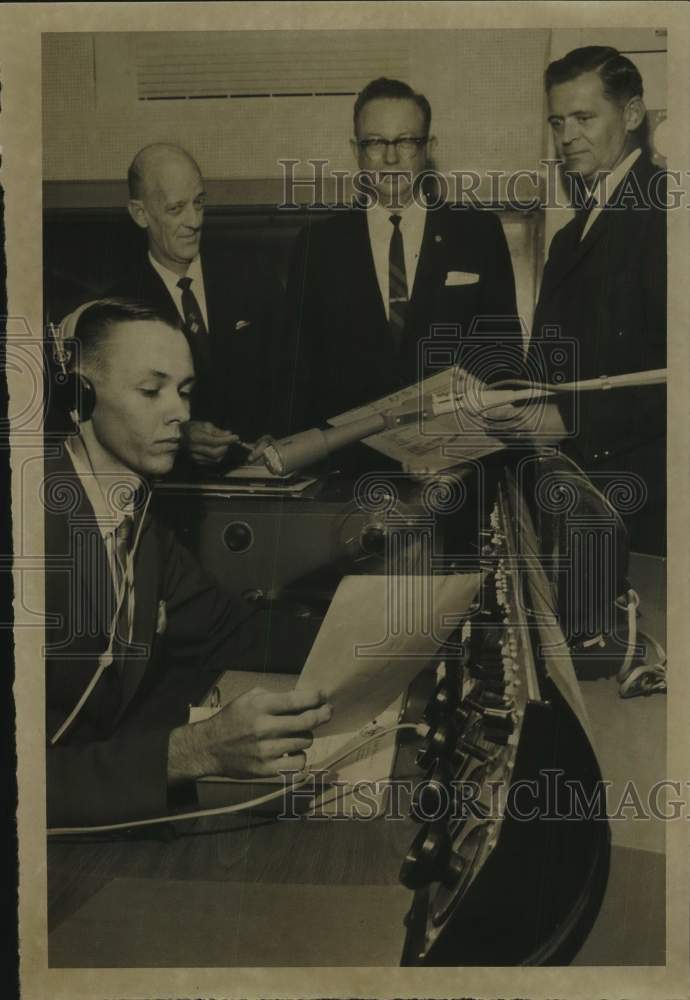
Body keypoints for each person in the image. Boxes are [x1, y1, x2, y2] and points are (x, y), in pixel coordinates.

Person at [45, 299, 331, 828]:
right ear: (77, 396)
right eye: (151, 391)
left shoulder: (138, 517)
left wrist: (386, 637)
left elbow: (230, 629)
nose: (179, 412)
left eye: (184, 390)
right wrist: (195, 751)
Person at [279, 77, 521, 445]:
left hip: (455, 464)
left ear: (428, 148)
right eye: (376, 142)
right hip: (349, 470)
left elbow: (502, 359)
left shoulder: (478, 234)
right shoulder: (318, 245)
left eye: (406, 141)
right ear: (356, 150)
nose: (390, 158)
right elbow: (297, 373)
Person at [528, 46, 666, 555]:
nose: (567, 137)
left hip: (641, 507)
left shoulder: (665, 213)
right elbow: (546, 360)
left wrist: (565, 420)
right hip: (575, 495)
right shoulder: (569, 236)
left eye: (584, 118)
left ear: (631, 115)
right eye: (557, 121)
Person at [110, 143, 279, 469]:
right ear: (140, 213)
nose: (194, 221)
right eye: (176, 209)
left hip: (264, 476)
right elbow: (117, 417)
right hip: (173, 491)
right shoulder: (120, 308)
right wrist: (179, 434)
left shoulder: (255, 278)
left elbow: (291, 373)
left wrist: (279, 435)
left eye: (199, 203)